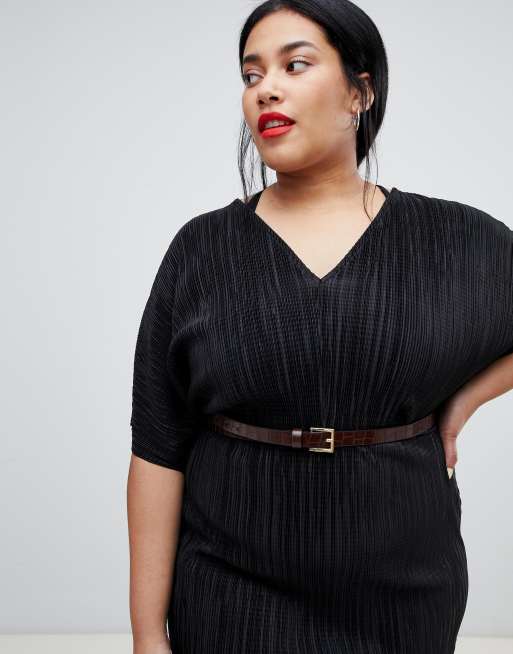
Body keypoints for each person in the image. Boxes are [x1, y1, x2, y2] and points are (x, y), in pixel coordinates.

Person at [127, 2, 513, 653]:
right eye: (251, 75)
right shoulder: (202, 249)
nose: (265, 89)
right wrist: (146, 636)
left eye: (295, 64)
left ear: (360, 91)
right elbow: (157, 448)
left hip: (406, 594)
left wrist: (466, 399)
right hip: (231, 591)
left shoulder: (457, 239)